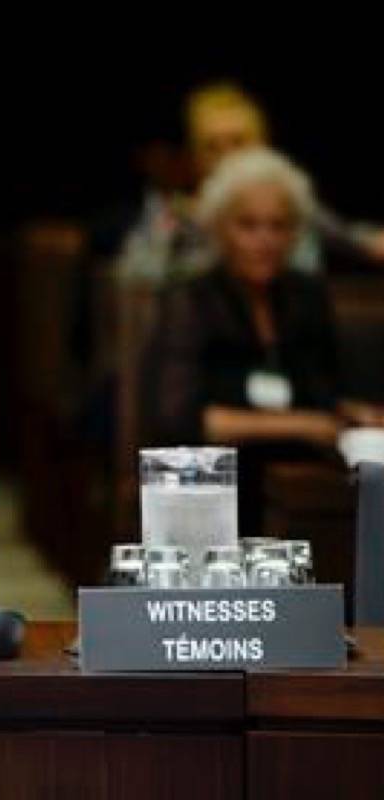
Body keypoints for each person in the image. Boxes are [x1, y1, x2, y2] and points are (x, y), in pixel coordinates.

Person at [144, 147, 384, 535]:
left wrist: (357, 415)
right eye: (248, 225)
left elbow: (324, 392)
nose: (265, 240)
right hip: (209, 484)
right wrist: (306, 425)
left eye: (279, 226)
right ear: (220, 228)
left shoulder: (306, 296)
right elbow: (181, 421)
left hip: (296, 476)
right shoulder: (191, 299)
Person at [118, 82, 384, 284]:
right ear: (195, 156)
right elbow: (136, 271)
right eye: (212, 146)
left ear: (262, 145)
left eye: (238, 141)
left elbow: (357, 240)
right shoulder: (175, 213)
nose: (227, 156)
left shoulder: (291, 203)